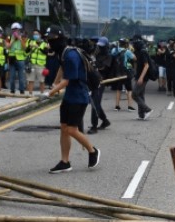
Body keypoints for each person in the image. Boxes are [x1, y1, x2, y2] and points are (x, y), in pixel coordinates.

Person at [43, 26, 100, 173]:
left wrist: (50, 93)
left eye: (52, 40)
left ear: (60, 39)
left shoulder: (71, 55)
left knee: (71, 130)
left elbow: (67, 80)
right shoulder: (63, 54)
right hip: (69, 97)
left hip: (79, 97)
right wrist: (54, 85)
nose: (50, 44)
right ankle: (65, 162)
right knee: (64, 129)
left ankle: (92, 150)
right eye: (48, 40)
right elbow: (62, 69)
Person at [87, 37, 111, 134]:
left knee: (95, 103)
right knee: (95, 102)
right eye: (99, 46)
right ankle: (105, 121)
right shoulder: (96, 53)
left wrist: (93, 63)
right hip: (93, 80)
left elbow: (102, 67)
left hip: (101, 81)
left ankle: (94, 126)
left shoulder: (108, 56)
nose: (100, 48)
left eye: (102, 46)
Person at [131, 37, 153, 120]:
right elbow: (136, 62)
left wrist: (141, 78)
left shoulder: (143, 52)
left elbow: (146, 65)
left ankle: (147, 110)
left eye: (134, 44)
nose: (132, 45)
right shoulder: (137, 52)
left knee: (134, 94)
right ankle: (141, 115)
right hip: (139, 75)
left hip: (143, 77)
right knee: (140, 95)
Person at [110, 40, 136, 111]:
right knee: (129, 89)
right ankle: (130, 106)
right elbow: (134, 58)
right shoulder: (127, 51)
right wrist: (130, 50)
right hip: (126, 72)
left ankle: (117, 106)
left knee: (118, 89)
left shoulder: (114, 50)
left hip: (117, 72)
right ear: (126, 44)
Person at [6, 23, 27, 95]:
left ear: (19, 30)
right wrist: (13, 40)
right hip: (12, 59)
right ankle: (12, 90)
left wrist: (19, 38)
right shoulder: (9, 37)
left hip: (20, 59)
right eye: (13, 30)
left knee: (21, 77)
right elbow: (7, 47)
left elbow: (24, 47)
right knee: (12, 77)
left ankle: (22, 90)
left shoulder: (23, 37)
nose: (15, 31)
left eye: (16, 29)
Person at [26, 29, 49, 95]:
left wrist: (38, 47)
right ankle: (30, 94)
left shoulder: (45, 43)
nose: (35, 35)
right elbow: (26, 51)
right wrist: (30, 47)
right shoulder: (31, 42)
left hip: (41, 65)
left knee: (42, 80)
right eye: (34, 34)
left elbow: (46, 52)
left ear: (40, 35)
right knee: (30, 80)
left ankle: (42, 94)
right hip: (32, 64)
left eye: (36, 34)